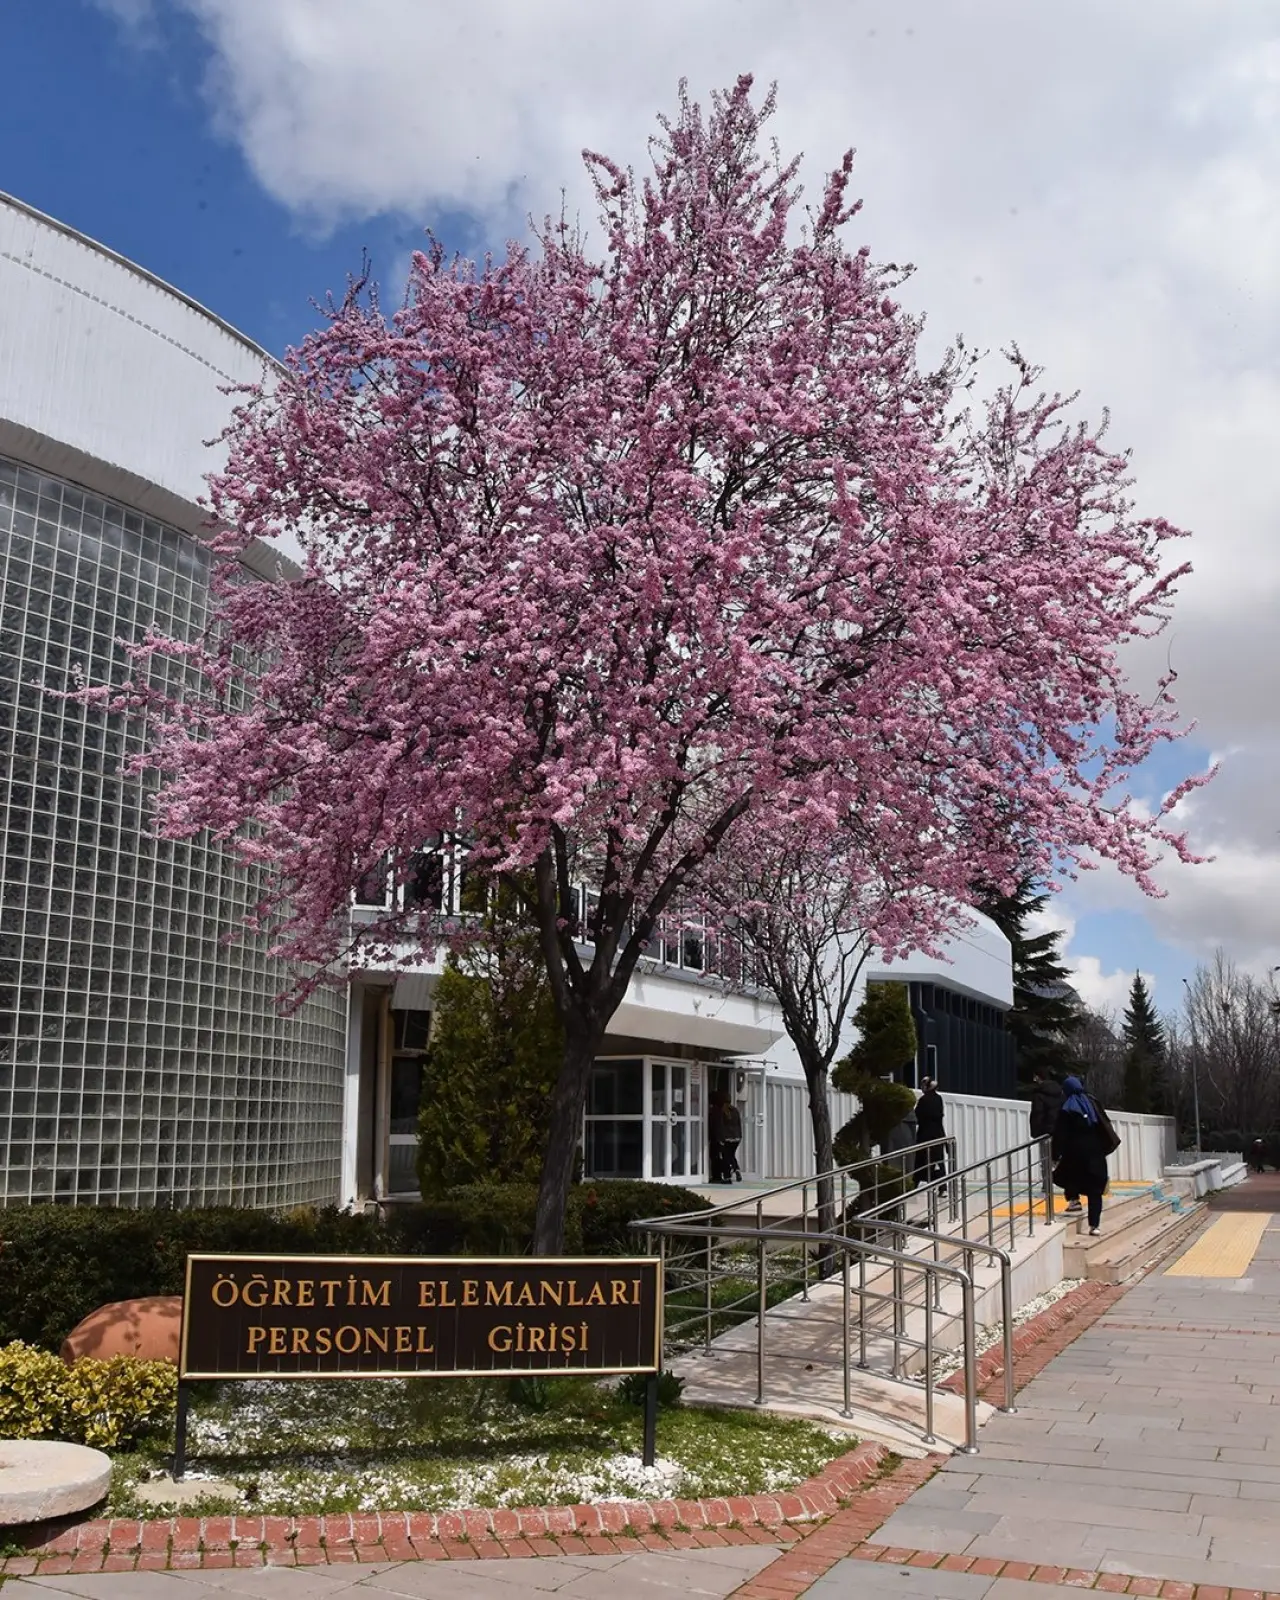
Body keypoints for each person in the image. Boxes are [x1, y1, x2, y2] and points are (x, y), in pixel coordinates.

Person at [1052, 1074, 1110, 1235]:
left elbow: (1060, 1134)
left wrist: (1055, 1154)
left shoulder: (1067, 1108)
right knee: (1095, 1190)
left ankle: (1074, 1200)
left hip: (1075, 1154)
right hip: (1096, 1153)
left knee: (1065, 1176)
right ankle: (1094, 1226)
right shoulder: (1092, 1104)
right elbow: (1104, 1124)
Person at [1029, 1069, 1064, 1198]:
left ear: (1038, 1077)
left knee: (1045, 1160)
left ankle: (1047, 1186)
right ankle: (1069, 1185)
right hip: (1059, 1131)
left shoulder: (1039, 1094)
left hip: (1045, 1132)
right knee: (1058, 1158)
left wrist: (1035, 1132)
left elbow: (1038, 1114)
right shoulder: (1060, 1092)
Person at [913, 1078, 947, 1184]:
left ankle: (915, 1184)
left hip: (924, 1135)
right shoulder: (939, 1099)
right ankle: (942, 1186)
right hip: (938, 1134)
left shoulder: (924, 1100)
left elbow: (917, 1115)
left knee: (920, 1162)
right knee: (938, 1161)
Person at [720, 1096, 743, 1182]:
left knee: (726, 1156)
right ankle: (736, 1169)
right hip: (736, 1137)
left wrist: (721, 1138)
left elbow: (721, 1126)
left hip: (727, 1137)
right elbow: (739, 1123)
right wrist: (740, 1135)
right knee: (731, 1155)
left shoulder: (723, 1111)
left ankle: (727, 1176)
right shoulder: (735, 1110)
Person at [708, 1092, 726, 1182]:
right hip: (719, 1137)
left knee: (715, 1157)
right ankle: (718, 1175)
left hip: (716, 1138)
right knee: (717, 1157)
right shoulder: (720, 1110)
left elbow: (714, 1126)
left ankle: (717, 1176)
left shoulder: (714, 1111)